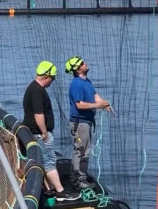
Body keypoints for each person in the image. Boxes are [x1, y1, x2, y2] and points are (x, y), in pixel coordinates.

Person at [23, 61, 77, 202]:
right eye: (52, 78)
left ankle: (49, 189)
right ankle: (60, 192)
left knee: (44, 162)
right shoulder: (37, 91)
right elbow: (38, 114)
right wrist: (44, 132)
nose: (52, 82)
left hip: (34, 133)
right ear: (46, 77)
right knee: (49, 162)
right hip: (40, 134)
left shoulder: (33, 88)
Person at [65, 56, 111, 189]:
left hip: (87, 122)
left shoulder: (87, 82)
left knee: (85, 150)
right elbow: (79, 105)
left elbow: (95, 95)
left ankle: (82, 177)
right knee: (80, 150)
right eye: (82, 63)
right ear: (78, 69)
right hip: (80, 123)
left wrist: (104, 103)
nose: (86, 63)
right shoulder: (76, 84)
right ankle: (77, 179)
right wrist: (99, 106)